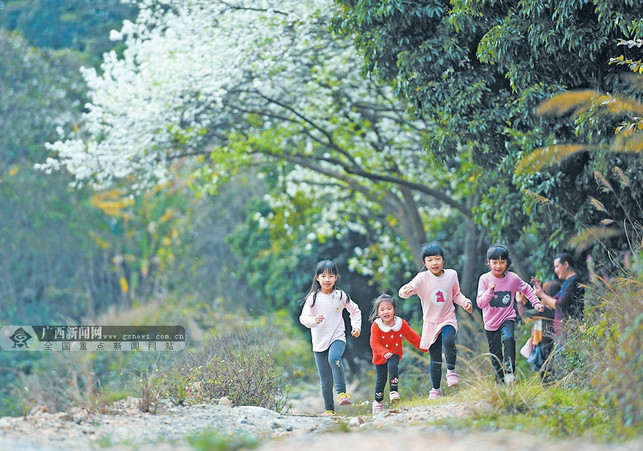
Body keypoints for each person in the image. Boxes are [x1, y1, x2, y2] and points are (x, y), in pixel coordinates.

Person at [398, 242, 473, 400]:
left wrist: (465, 302)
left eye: (437, 259)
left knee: (448, 339)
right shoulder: (422, 278)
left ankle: (451, 371)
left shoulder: (452, 275)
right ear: (424, 263)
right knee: (435, 357)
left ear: (443, 260)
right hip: (430, 323)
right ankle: (435, 390)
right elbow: (404, 292)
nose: (434, 263)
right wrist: (406, 290)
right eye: (430, 260)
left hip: (447, 318)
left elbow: (456, 294)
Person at [299, 260, 362, 416]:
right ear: (317, 278)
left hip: (337, 337)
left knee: (334, 358)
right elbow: (303, 318)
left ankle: (342, 393)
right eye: (323, 276)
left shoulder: (340, 296)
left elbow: (355, 311)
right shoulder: (313, 298)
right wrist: (314, 321)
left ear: (336, 278)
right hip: (319, 342)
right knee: (325, 381)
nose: (327, 279)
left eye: (331, 276)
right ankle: (329, 410)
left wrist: (356, 327)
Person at [476, 244, 544, 384]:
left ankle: (510, 371)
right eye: (495, 262)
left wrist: (536, 303)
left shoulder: (513, 278)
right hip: (490, 322)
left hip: (507, 317)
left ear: (507, 262)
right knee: (495, 354)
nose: (498, 266)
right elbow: (480, 303)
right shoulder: (484, 279)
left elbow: (527, 289)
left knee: (508, 338)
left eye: (502, 262)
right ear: (488, 262)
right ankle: (499, 380)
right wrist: (489, 291)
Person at [369, 294, 425, 414]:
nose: (386, 312)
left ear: (394, 309)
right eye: (382, 309)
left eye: (389, 308)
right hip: (380, 356)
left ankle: (394, 391)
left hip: (394, 352)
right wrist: (384, 352)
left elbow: (412, 337)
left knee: (393, 366)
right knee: (381, 380)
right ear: (378, 312)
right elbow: (374, 343)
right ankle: (378, 402)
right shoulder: (376, 326)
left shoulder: (401, 323)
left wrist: (425, 346)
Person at [532, 252, 585, 336]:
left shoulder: (573, 281)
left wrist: (542, 294)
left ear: (566, 264)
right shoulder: (567, 283)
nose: (555, 270)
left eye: (557, 266)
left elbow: (560, 304)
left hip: (569, 329)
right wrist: (541, 291)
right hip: (563, 331)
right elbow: (553, 302)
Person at [517, 280, 559, 378]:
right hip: (549, 343)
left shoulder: (548, 309)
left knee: (545, 374)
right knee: (548, 371)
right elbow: (535, 311)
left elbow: (525, 315)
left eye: (543, 291)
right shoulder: (552, 308)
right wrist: (526, 302)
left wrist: (519, 301)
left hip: (545, 346)